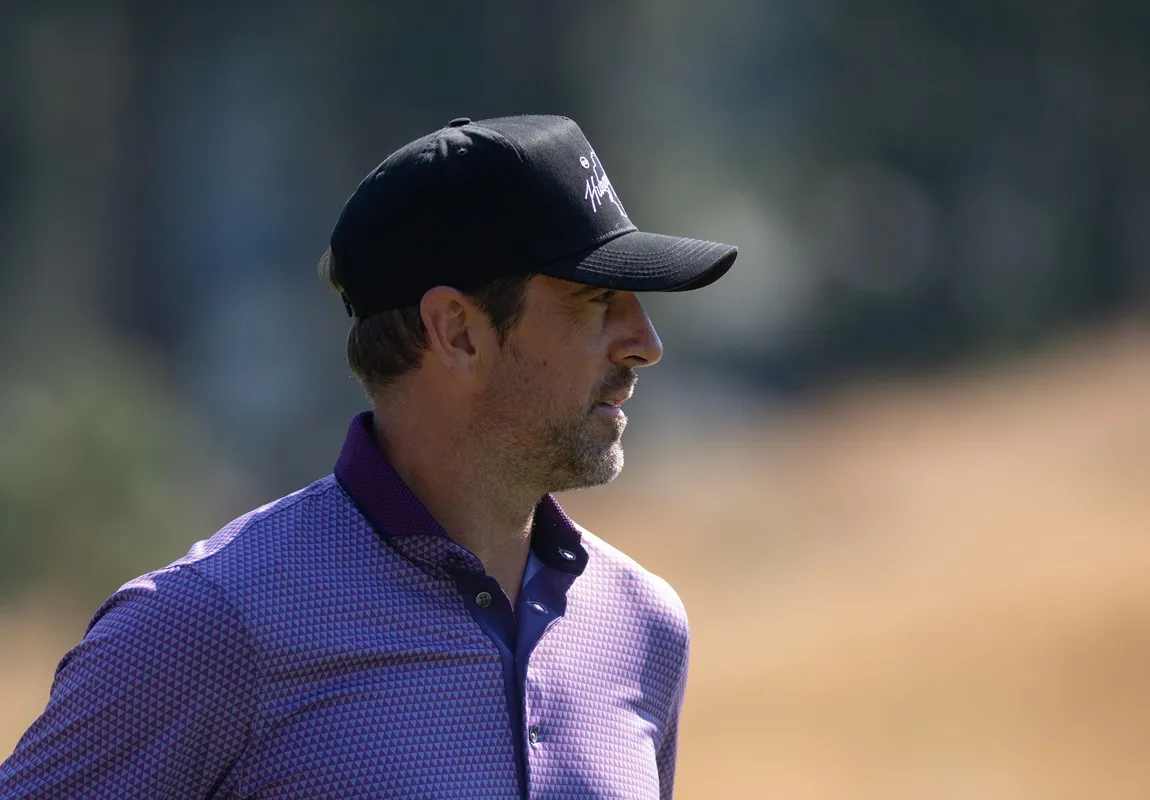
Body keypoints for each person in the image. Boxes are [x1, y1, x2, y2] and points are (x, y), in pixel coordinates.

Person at [0, 114, 738, 799]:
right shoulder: (209, 629)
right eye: (594, 298)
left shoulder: (644, 626)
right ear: (457, 332)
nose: (645, 342)